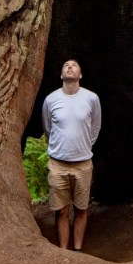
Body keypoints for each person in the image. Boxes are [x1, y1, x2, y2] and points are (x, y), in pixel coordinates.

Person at [41, 59, 102, 251]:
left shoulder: (91, 98)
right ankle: (63, 251)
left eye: (74, 65)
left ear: (80, 75)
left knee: (82, 208)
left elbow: (95, 127)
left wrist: (83, 146)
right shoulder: (51, 99)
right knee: (62, 210)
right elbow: (48, 128)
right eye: (66, 65)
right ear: (61, 75)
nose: (70, 67)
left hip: (83, 164)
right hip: (58, 164)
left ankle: (77, 250)